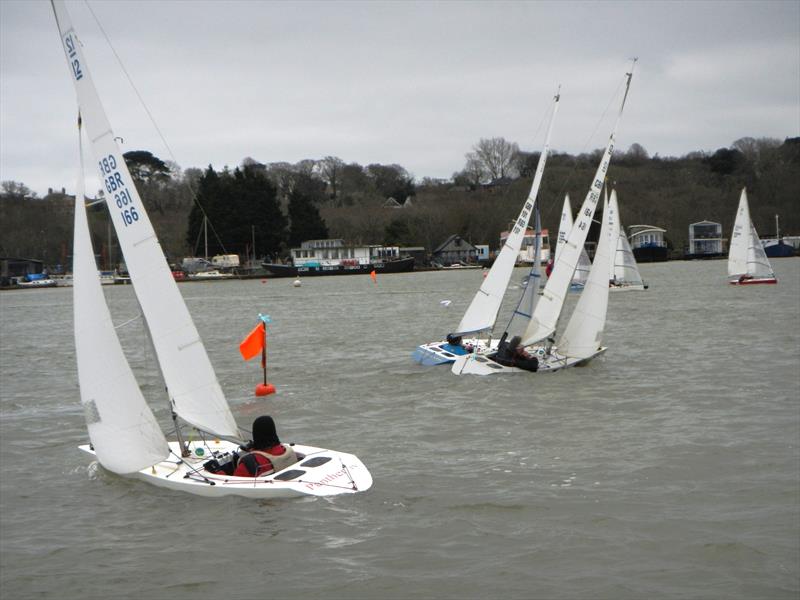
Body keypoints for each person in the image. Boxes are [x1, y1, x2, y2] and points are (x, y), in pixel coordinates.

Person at [233, 415, 298, 477]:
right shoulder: (285, 450)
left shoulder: (250, 463)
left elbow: (234, 481)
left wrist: (222, 472)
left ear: (256, 434)